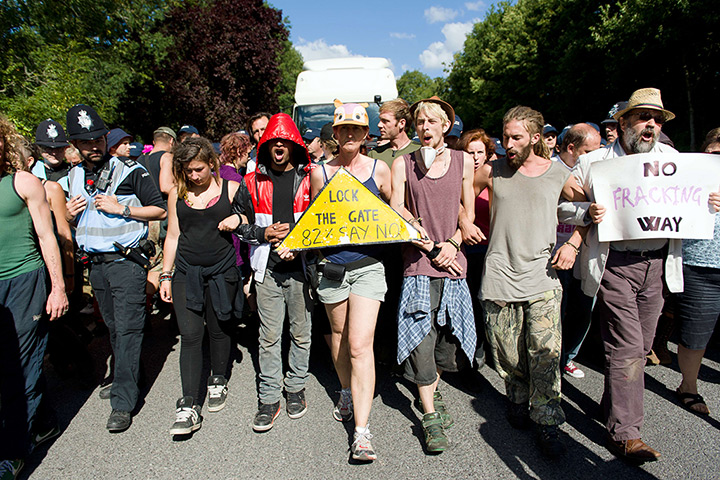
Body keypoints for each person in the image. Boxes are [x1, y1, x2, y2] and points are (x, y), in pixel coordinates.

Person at [570, 88, 720, 461]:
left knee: (641, 347)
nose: (651, 124)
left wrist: (710, 203)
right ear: (623, 123)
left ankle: (611, 406)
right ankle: (626, 433)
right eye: (643, 117)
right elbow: (563, 207)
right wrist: (587, 212)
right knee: (624, 347)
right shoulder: (596, 163)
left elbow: (692, 202)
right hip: (615, 265)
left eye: (656, 118)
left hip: (657, 266)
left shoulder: (674, 160)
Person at [475, 106, 587, 457]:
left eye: (516, 137)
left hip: (542, 277)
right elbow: (463, 187)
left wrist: (572, 244)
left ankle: (548, 420)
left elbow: (590, 210)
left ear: (535, 138)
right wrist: (465, 219)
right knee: (506, 353)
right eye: (505, 136)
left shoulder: (557, 174)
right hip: (499, 275)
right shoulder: (492, 170)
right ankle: (517, 396)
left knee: (546, 353)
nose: (507, 143)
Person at [65, 104, 166, 432]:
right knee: (112, 326)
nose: (93, 146)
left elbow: (160, 210)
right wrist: (67, 214)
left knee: (128, 329)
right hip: (96, 266)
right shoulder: (75, 175)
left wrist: (121, 209)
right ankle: (130, 376)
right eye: (85, 142)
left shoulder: (129, 169)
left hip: (126, 261)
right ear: (75, 145)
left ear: (106, 137)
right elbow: (74, 220)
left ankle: (123, 401)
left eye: (97, 139)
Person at [391, 97, 476, 454]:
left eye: (431, 121)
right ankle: (428, 417)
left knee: (445, 342)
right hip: (419, 263)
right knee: (421, 339)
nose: (424, 127)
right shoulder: (403, 163)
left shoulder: (463, 161)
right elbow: (397, 207)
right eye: (419, 121)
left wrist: (452, 244)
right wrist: (430, 246)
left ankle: (433, 389)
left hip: (454, 263)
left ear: (445, 126)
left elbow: (467, 213)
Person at [308, 100, 392, 461]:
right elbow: (316, 221)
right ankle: (345, 390)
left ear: (365, 134)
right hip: (332, 267)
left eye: (357, 130)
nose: (350, 135)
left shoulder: (380, 170)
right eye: (344, 130)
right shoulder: (319, 173)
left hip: (369, 265)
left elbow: (394, 210)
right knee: (339, 338)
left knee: (360, 345)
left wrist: (415, 228)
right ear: (335, 133)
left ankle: (362, 432)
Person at [233, 113, 313, 433]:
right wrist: (262, 235)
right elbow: (237, 225)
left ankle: (295, 388)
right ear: (265, 145)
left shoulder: (311, 178)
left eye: (285, 141)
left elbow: (322, 225)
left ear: (294, 146)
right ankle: (269, 397)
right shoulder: (250, 182)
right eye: (273, 141)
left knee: (301, 334)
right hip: (267, 271)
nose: (279, 146)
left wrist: (300, 245)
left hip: (301, 271)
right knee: (268, 337)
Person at [0, 115, 68, 478]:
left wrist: (57, 287)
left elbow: (47, 235)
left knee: (20, 366)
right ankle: (40, 421)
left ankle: (11, 453)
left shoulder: (22, 182)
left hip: (24, 281)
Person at [159, 137, 242, 435]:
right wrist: (165, 275)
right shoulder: (176, 194)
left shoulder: (230, 189)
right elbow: (172, 236)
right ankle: (189, 405)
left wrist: (238, 216)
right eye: (188, 170)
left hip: (222, 272)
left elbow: (250, 220)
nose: (193, 176)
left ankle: (218, 378)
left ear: (211, 163)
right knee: (191, 335)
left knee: (219, 327)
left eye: (198, 169)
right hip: (186, 272)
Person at [672, 127, 720, 416]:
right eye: (715, 152)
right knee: (695, 334)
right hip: (699, 265)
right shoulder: (689, 177)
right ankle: (688, 386)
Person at [553, 124, 602, 379]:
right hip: (553, 254)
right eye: (589, 151)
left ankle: (569, 358)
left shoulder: (600, 174)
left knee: (584, 309)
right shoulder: (548, 169)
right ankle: (551, 360)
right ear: (571, 148)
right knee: (555, 312)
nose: (596, 157)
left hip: (586, 252)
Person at [456, 128, 496, 375]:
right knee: (472, 304)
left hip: (496, 249)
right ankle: (472, 356)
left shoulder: (496, 174)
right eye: (470, 152)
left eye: (480, 151)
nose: (476, 156)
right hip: (471, 250)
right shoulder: (461, 179)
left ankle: (492, 350)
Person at [368, 98, 419, 169]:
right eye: (380, 120)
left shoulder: (418, 151)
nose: (379, 125)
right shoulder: (374, 154)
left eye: (385, 121)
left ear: (401, 123)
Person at [32, 119, 71, 194]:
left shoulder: (73, 173)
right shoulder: (31, 170)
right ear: (39, 148)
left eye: (59, 148)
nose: (54, 153)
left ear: (66, 148)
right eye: (48, 149)